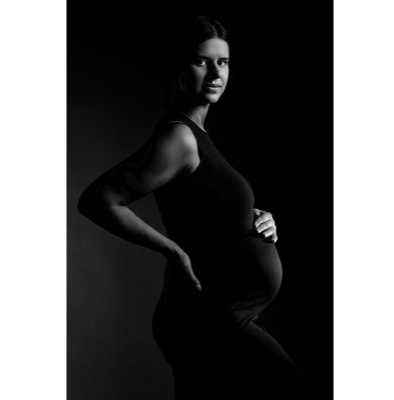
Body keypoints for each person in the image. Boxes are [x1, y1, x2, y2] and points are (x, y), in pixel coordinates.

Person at [78, 15, 315, 399]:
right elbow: (98, 199)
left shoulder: (196, 134)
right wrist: (173, 251)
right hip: (210, 319)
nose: (215, 73)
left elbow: (201, 212)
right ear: (177, 67)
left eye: (223, 62)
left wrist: (253, 215)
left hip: (218, 316)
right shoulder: (180, 137)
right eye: (201, 61)